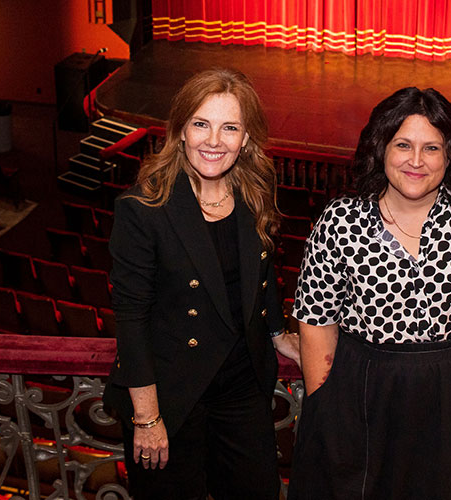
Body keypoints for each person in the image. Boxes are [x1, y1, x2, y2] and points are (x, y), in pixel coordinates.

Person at [288, 87, 451, 499]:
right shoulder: (339, 221)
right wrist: (327, 404)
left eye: (431, 148)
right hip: (364, 400)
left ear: (450, 154)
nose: (416, 161)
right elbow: (316, 320)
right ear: (380, 147)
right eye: (403, 145)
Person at [102, 68, 300, 500]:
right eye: (201, 124)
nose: (214, 141)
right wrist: (148, 418)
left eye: (230, 127)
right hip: (171, 395)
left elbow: (262, 268)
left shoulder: (255, 190)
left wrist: (277, 331)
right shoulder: (144, 207)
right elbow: (131, 319)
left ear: (246, 138)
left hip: (241, 386)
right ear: (180, 131)